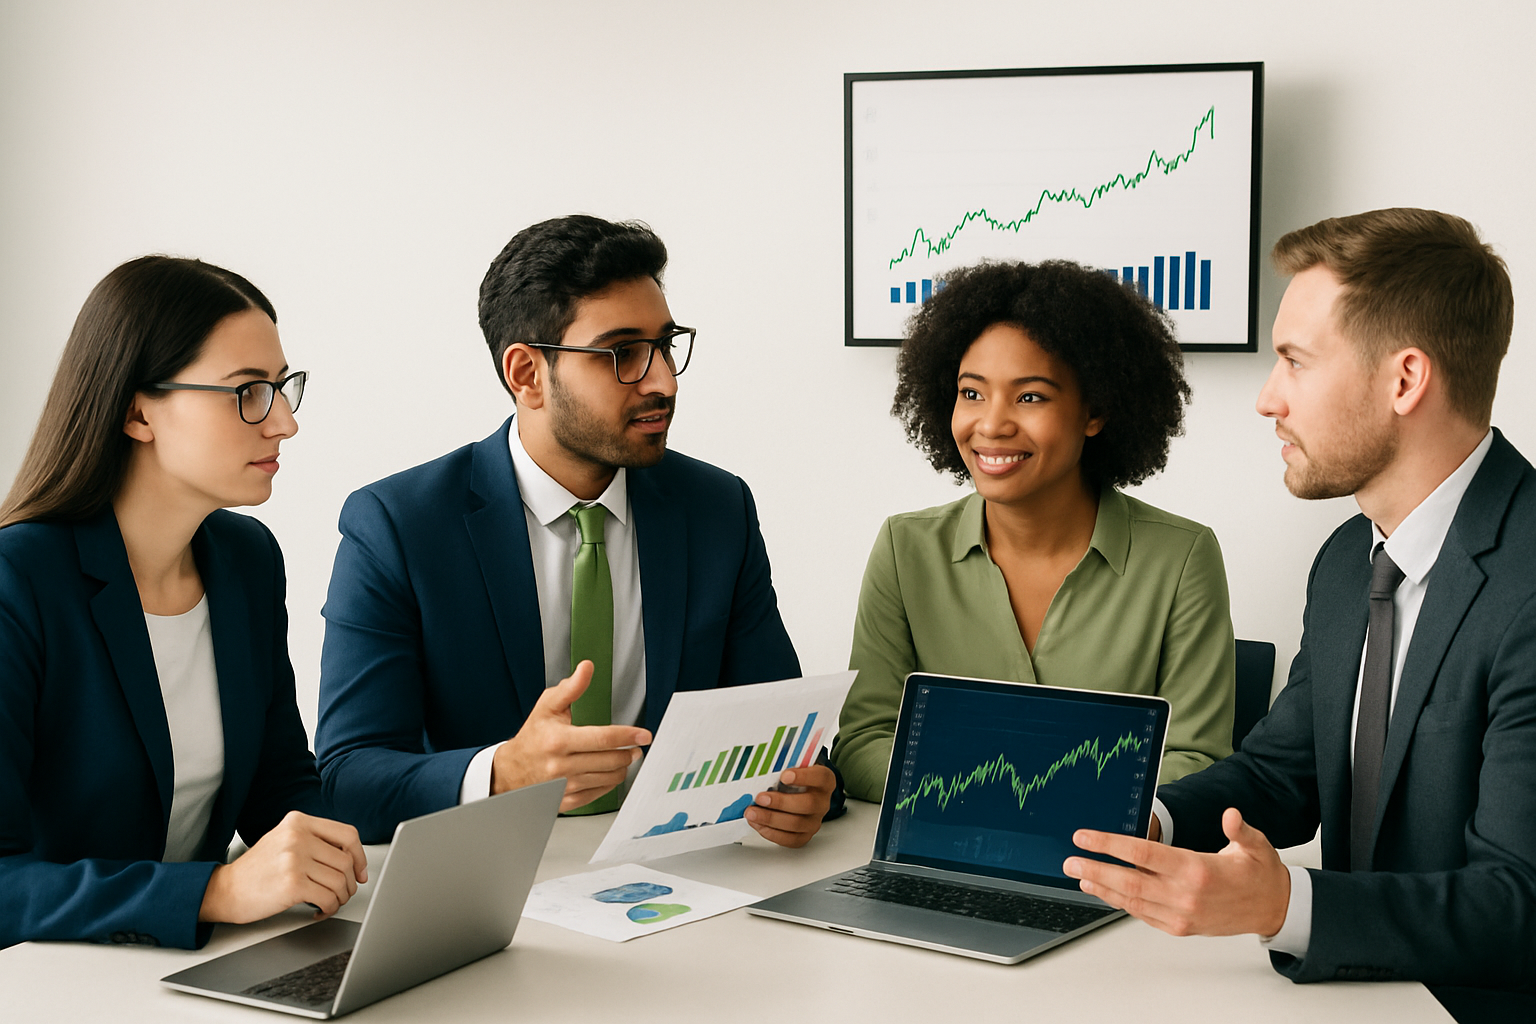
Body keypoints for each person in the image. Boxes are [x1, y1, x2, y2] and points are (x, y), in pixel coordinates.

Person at [1064, 209, 1536, 1023]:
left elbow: (1520, 904)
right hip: (1359, 997)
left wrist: (1286, 908)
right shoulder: (1350, 560)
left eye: (1294, 361)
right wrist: (1148, 819)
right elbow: (1285, 774)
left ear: (1404, 380)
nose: (1266, 399)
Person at [316, 215, 837, 845]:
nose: (662, 381)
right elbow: (346, 779)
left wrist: (808, 790)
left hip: (677, 867)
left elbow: (781, 731)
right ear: (527, 374)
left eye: (665, 346)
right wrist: (503, 772)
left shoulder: (716, 509)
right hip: (485, 876)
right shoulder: (398, 527)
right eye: (622, 354)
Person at [0, 256, 366, 950]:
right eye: (248, 391)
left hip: (205, 962)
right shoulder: (18, 581)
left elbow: (278, 780)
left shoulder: (246, 561)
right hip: (60, 980)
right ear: (138, 410)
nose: (283, 421)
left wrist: (333, 855)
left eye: (283, 387)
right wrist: (218, 891)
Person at [834, 260, 1236, 802]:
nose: (992, 424)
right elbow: (862, 743)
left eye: (1030, 397)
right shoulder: (906, 550)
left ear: (1094, 411)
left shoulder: (1182, 558)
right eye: (972, 393)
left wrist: (1026, 795)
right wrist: (998, 793)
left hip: (1101, 868)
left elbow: (1197, 759)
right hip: (944, 856)